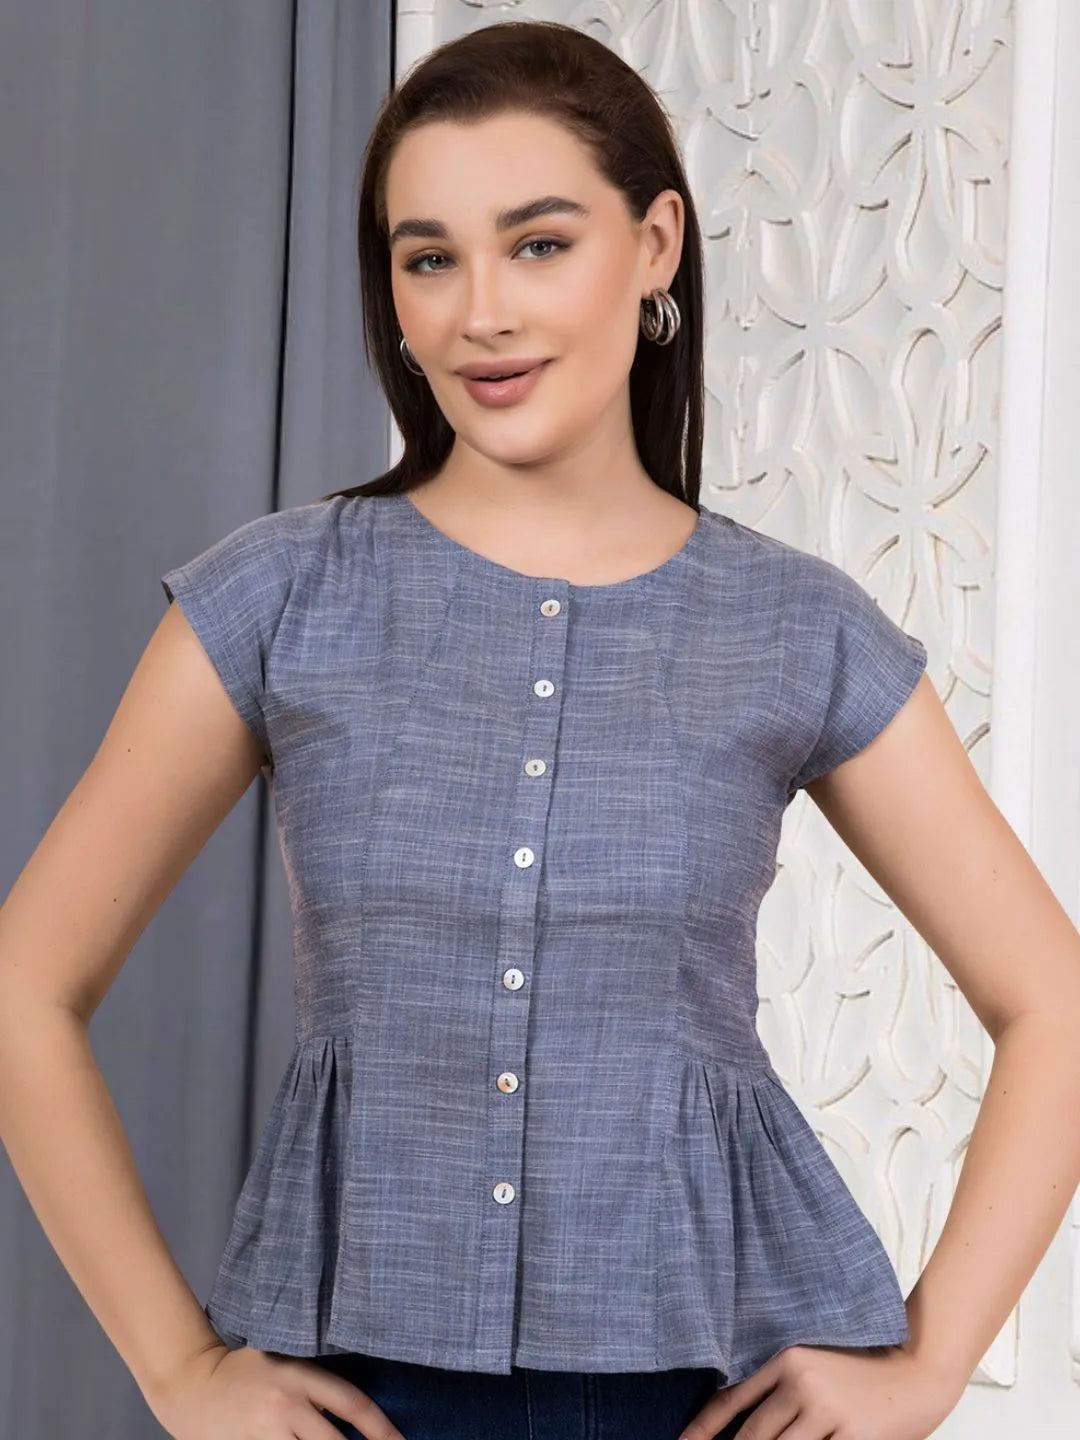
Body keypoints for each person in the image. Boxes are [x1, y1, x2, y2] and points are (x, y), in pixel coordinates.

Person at [3, 17, 1080, 1440]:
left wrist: (931, 1364)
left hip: (701, 1387)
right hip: (355, 1389)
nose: (481, 313)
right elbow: (24, 986)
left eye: (540, 244)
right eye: (429, 258)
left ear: (655, 246)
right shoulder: (280, 596)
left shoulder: (794, 624)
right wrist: (176, 1369)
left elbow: (1055, 1003)